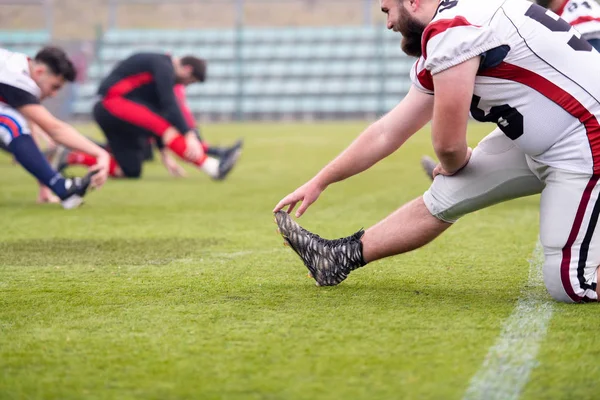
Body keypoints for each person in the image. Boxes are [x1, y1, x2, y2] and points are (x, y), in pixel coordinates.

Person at [273, 0, 600, 303]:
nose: (388, 23)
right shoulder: (462, 20)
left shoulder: (451, 30)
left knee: (571, 282)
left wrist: (456, 160)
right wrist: (320, 181)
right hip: (561, 126)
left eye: (388, 10)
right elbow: (387, 132)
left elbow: (448, 145)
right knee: (449, 193)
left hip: (585, 135)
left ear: (414, 1)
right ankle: (337, 258)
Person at [421, 0, 600, 177]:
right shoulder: (538, 11)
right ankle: (457, 179)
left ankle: (458, 176)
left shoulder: (580, 10)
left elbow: (589, 72)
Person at [56, 52, 241, 180]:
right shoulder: (163, 65)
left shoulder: (161, 68)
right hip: (111, 103)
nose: (185, 85)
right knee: (164, 127)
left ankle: (72, 156)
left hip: (114, 111)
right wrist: (189, 134)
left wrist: (163, 152)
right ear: (187, 69)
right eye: (189, 81)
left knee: (130, 171)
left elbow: (158, 110)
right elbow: (169, 104)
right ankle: (212, 167)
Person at [0, 46, 109, 209]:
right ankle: (63, 188)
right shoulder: (16, 78)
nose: (53, 94)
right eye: (55, 86)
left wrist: (46, 185)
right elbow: (55, 130)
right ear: (40, 72)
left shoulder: (16, 69)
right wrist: (101, 153)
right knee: (10, 122)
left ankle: (60, 187)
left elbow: (29, 137)